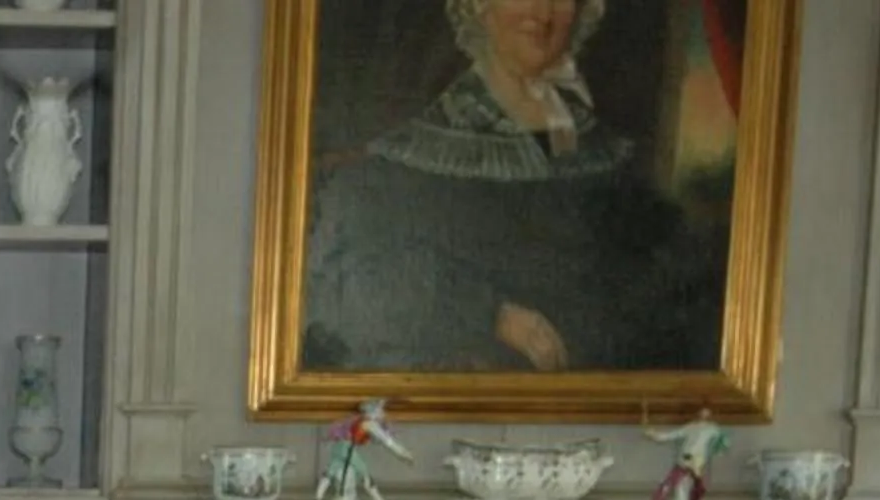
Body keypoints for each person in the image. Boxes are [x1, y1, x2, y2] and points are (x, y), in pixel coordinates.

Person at [301, 0, 725, 374]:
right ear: (478, 7)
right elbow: (358, 282)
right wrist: (492, 315)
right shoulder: (403, 167)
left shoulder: (602, 154)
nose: (543, 13)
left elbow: (657, 289)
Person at [317, 398, 415, 500]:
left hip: (338, 447)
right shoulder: (370, 424)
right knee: (363, 471)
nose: (383, 413)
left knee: (331, 470)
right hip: (347, 448)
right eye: (380, 410)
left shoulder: (360, 421)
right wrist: (404, 454)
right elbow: (387, 442)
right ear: (374, 411)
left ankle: (318, 498)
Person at [645, 407, 729, 500]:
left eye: (706, 413)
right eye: (702, 413)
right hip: (687, 455)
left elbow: (723, 441)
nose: (703, 416)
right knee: (675, 478)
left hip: (699, 457)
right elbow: (672, 435)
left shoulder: (713, 429)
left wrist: (719, 450)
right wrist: (654, 435)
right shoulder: (690, 427)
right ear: (698, 414)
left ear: (710, 416)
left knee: (698, 481)